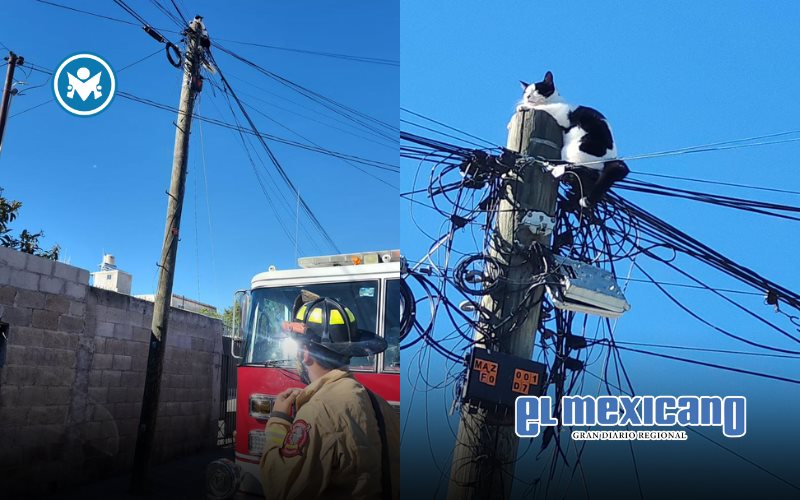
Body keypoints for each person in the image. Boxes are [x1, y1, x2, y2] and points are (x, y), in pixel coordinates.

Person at [259, 296, 400, 500]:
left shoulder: (318, 411)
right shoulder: (382, 406)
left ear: (305, 353)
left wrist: (278, 419)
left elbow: (278, 490)